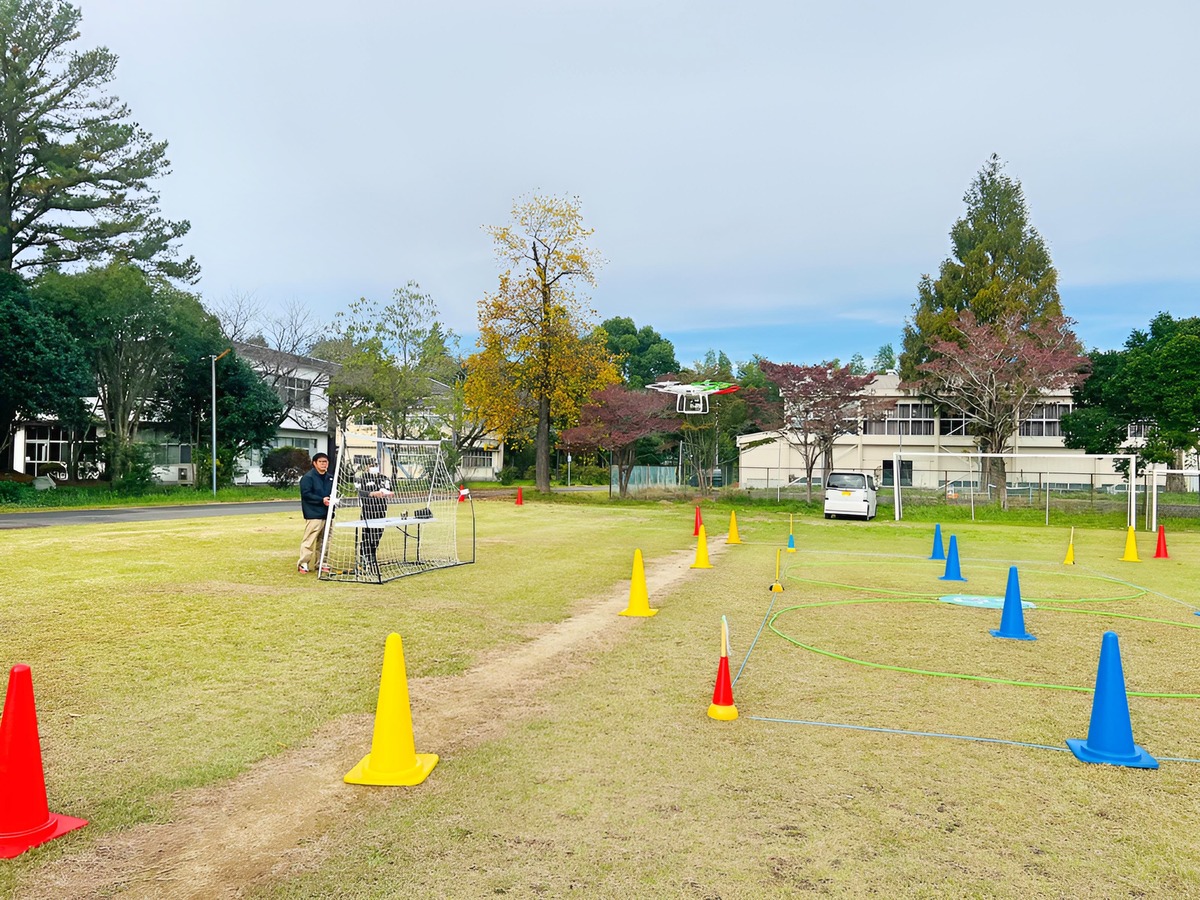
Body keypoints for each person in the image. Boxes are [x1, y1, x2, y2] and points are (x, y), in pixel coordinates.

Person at [298, 452, 334, 574]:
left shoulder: (330, 477)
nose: (324, 464)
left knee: (325, 541)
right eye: (321, 462)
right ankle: (303, 563)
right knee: (309, 540)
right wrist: (321, 500)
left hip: (327, 514)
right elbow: (306, 494)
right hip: (314, 514)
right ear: (315, 463)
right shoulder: (308, 478)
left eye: (326, 462)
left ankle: (322, 563)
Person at [356, 461, 394, 574]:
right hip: (368, 510)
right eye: (372, 466)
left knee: (377, 534)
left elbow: (389, 488)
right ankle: (364, 557)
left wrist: (389, 493)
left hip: (381, 510)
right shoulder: (362, 478)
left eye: (376, 466)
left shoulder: (384, 478)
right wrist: (371, 494)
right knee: (367, 534)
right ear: (367, 467)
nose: (374, 468)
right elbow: (360, 492)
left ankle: (372, 555)